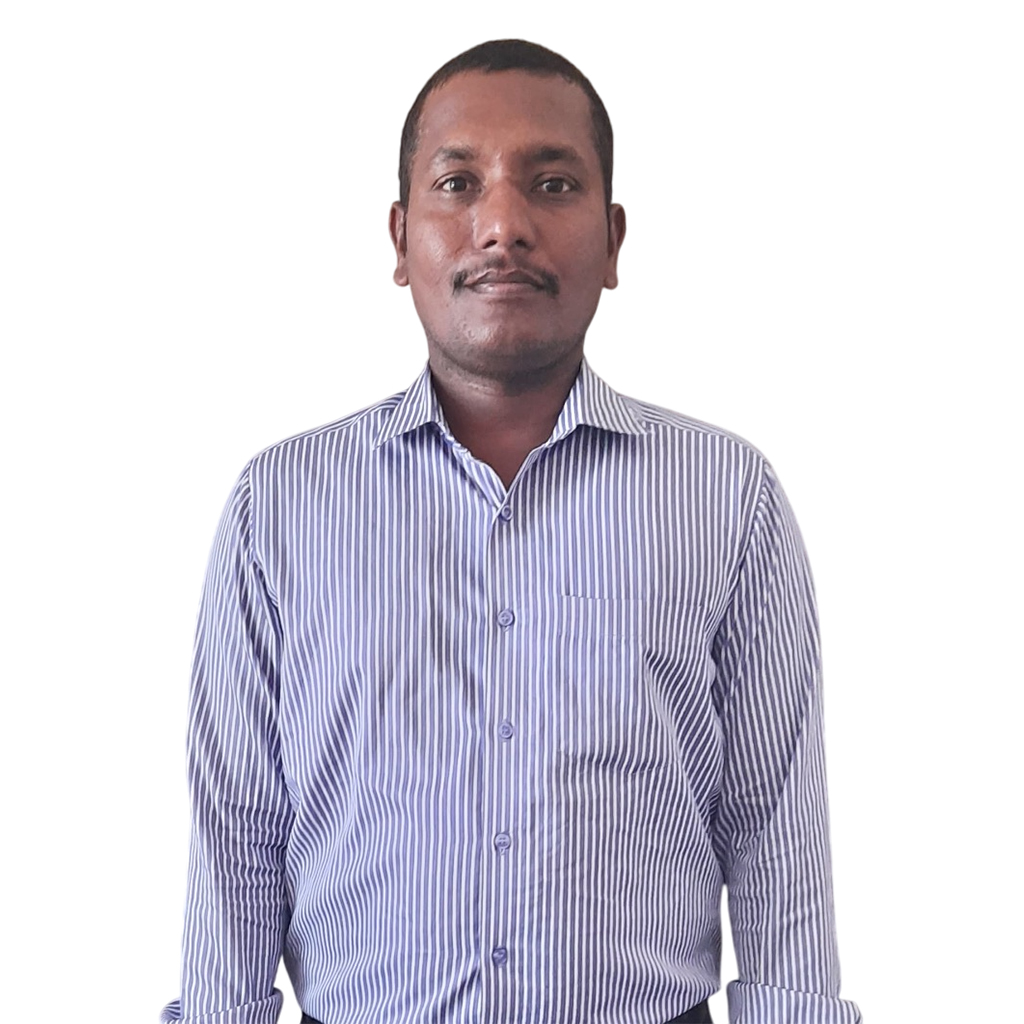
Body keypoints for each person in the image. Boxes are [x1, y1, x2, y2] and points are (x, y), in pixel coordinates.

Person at [161, 39, 862, 1024]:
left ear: (612, 241)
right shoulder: (277, 507)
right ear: (400, 238)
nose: (502, 224)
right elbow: (237, 833)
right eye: (458, 183)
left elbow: (774, 825)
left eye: (552, 183)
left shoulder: (725, 496)